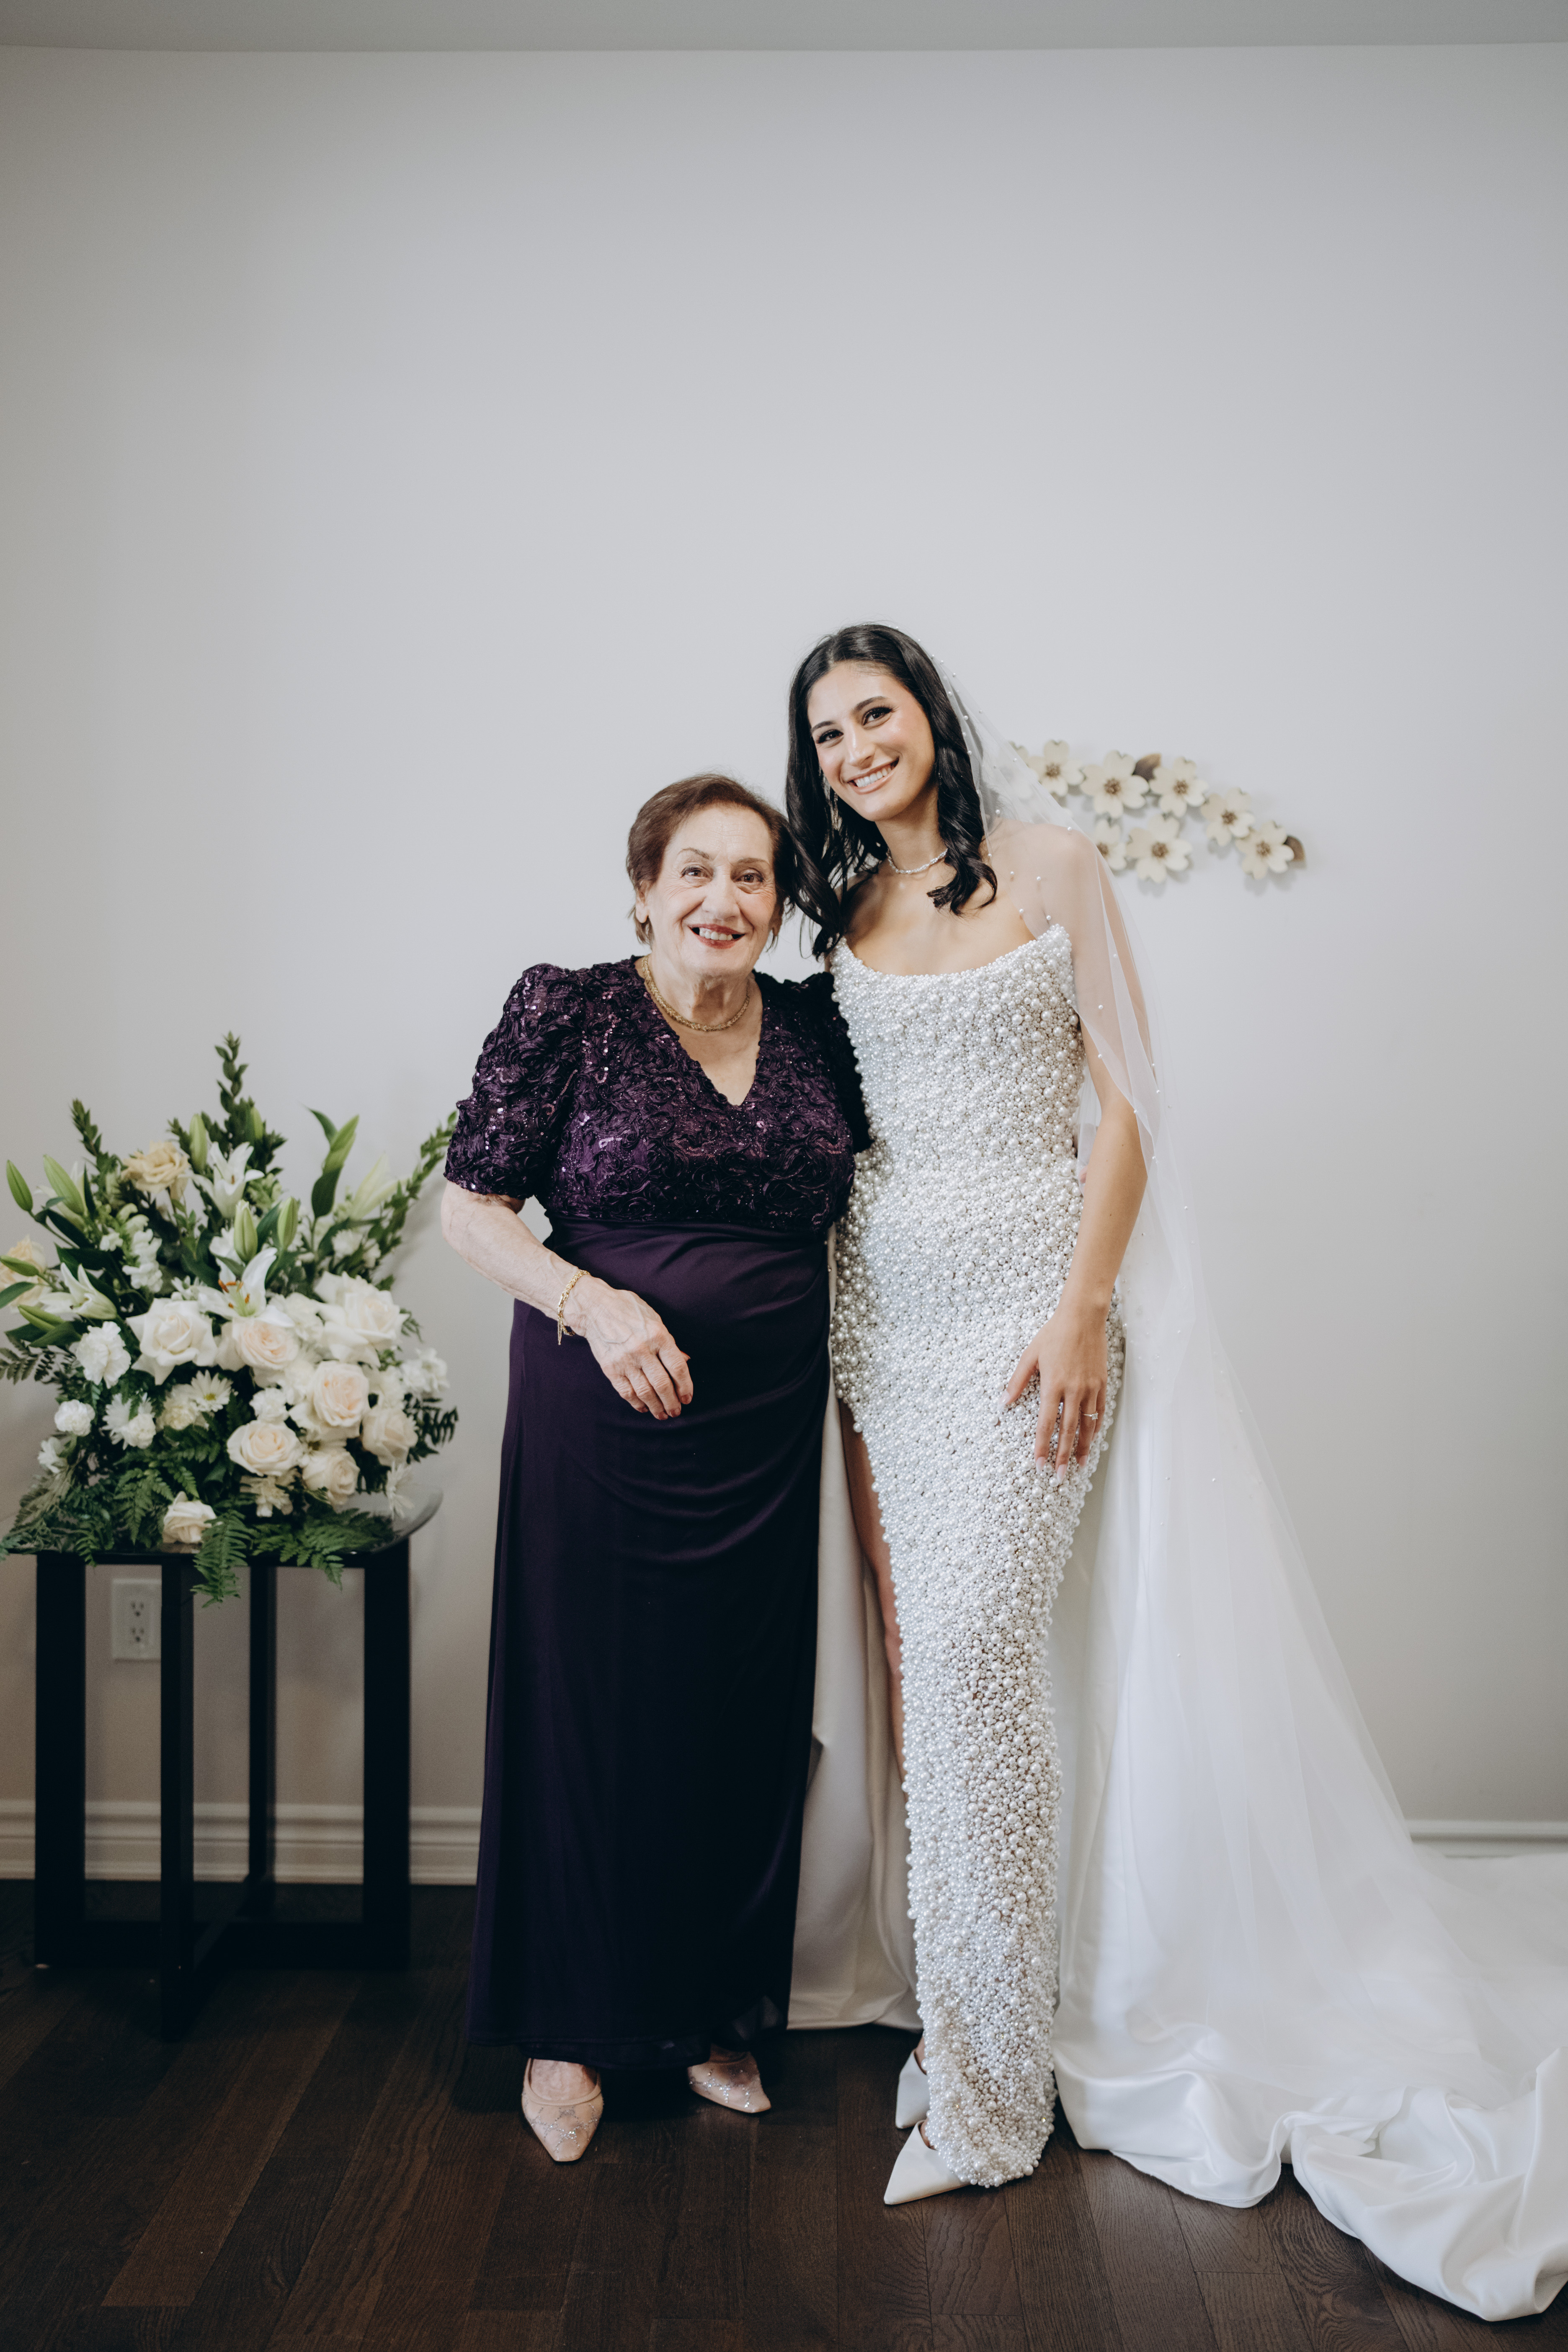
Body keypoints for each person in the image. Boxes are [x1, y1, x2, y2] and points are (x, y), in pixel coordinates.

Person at [785, 623, 1568, 2321]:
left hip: (1032, 1315)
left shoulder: (1054, 863)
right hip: (887, 1331)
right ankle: (971, 2017)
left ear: (931, 714)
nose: (855, 749)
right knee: (934, 1674)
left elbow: (1129, 1101)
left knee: (979, 1658)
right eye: (828, 732)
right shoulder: (838, 915)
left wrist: (1082, 1309)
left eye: (876, 713)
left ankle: (992, 2098)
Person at [442, 771, 868, 2162]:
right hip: (601, 1415)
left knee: (739, 1716)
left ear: (780, 903)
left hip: (765, 1437)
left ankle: (706, 2008)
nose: (722, 900)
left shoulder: (817, 1026)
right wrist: (594, 1304)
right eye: (696, 870)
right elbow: (472, 1209)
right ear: (645, 888)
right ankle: (568, 2025)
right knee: (591, 1713)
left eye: (752, 876)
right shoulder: (568, 1009)